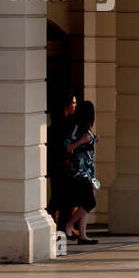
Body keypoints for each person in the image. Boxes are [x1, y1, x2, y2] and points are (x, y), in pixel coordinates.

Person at [61, 101, 100, 245]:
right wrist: (83, 141)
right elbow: (68, 146)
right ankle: (69, 224)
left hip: (88, 173)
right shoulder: (76, 128)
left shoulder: (86, 128)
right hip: (79, 172)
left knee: (85, 203)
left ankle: (83, 236)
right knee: (90, 202)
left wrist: (93, 140)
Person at [46, 92, 77, 232]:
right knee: (59, 196)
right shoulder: (61, 123)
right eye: (74, 103)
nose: (75, 106)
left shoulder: (65, 121)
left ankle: (62, 226)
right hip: (60, 164)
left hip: (61, 164)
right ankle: (58, 226)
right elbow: (63, 145)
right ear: (68, 104)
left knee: (61, 195)